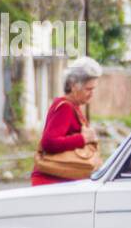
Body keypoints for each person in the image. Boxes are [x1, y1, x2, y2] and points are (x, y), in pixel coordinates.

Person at [32, 57, 102, 186]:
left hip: (60, 180)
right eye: (88, 89)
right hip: (52, 181)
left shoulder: (73, 107)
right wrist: (83, 138)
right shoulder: (65, 107)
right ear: (74, 86)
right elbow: (49, 143)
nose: (92, 94)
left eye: (93, 89)